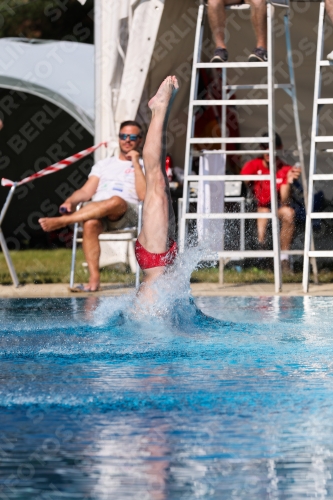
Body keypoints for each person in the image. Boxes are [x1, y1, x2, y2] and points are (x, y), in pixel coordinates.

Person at [39, 121, 146, 291]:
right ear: (118, 138)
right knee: (90, 224)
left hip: (127, 212)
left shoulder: (144, 164)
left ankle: (64, 222)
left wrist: (136, 161)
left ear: (140, 140)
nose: (127, 140)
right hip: (98, 209)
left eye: (132, 137)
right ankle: (94, 280)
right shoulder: (104, 164)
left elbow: (143, 195)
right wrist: (71, 201)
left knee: (115, 200)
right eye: (123, 136)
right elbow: (86, 191)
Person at [135, 76, 179, 292]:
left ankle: (160, 110)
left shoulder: (150, 307)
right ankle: (162, 111)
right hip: (159, 257)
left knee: (157, 181)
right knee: (158, 179)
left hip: (155, 259)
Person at [240, 133, 301, 272]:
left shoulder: (285, 169)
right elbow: (241, 186)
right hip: (258, 207)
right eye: (264, 147)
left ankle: (283, 258)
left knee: (289, 213)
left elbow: (285, 201)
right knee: (264, 211)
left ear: (279, 148)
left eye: (271, 147)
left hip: (277, 207)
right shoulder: (252, 165)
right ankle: (262, 255)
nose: (267, 151)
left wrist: (288, 182)